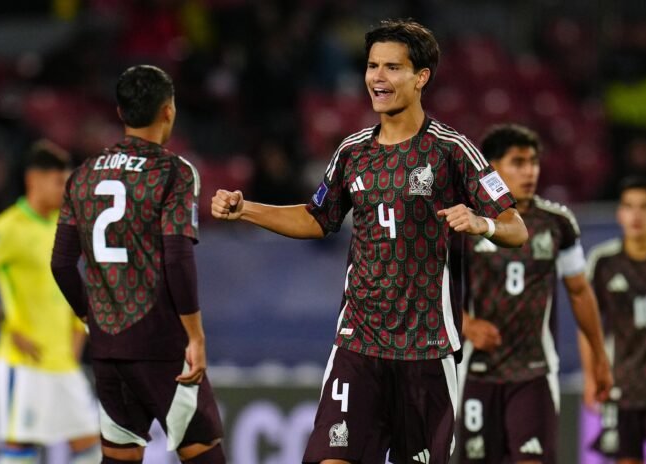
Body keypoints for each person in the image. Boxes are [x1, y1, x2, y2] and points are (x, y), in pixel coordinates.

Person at [212, 19, 528, 464]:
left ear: (421, 77)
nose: (378, 77)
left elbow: (516, 226)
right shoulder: (352, 152)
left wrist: (483, 224)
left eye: (392, 67)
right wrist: (246, 209)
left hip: (426, 348)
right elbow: (317, 218)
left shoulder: (452, 150)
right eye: (372, 66)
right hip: (358, 342)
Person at [50, 65, 224, 464]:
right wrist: (195, 336)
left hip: (108, 348)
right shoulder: (174, 172)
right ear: (168, 110)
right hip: (160, 343)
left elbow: (61, 265)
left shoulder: (82, 175)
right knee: (202, 453)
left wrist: (91, 316)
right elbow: (177, 257)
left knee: (120, 457)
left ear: (120, 112)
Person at [457, 124, 613, 464]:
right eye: (518, 162)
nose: (530, 172)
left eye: (534, 162)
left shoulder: (557, 223)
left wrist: (600, 358)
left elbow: (580, 292)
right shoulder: (469, 222)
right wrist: (466, 324)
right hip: (477, 370)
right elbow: (432, 288)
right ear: (492, 169)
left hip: (534, 371)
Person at [0, 140, 101, 464]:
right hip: (25, 363)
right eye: (59, 182)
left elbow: (73, 284)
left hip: (64, 362)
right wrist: (8, 326)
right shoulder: (9, 227)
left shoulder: (66, 225)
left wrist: (78, 333)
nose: (66, 191)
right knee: (21, 451)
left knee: (92, 450)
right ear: (34, 180)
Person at [584, 176, 646, 464]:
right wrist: (591, 377)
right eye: (629, 206)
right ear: (619, 213)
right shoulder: (604, 262)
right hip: (621, 385)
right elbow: (589, 325)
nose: (637, 215)